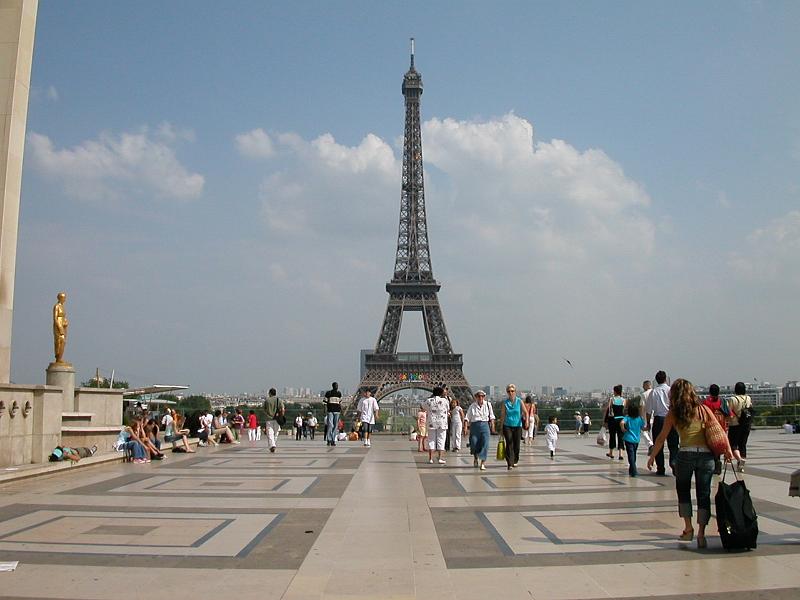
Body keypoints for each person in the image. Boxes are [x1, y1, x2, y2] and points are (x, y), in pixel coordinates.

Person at [648, 378, 734, 549]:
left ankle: (688, 528)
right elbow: (719, 431)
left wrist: (652, 456)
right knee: (704, 494)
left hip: (685, 454)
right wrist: (728, 450)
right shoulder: (703, 409)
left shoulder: (674, 413)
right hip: (706, 456)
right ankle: (702, 533)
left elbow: (661, 437)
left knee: (683, 491)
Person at [646, 370, 679, 476]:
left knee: (658, 444)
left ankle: (660, 468)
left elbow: (648, 410)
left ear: (656, 380)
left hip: (659, 419)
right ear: (666, 379)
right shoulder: (671, 391)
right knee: (673, 444)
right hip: (671, 418)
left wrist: (648, 423)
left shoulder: (653, 392)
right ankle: (673, 461)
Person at [464, 390, 495, 470]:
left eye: (482, 396)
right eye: (479, 396)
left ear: (484, 397)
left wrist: (492, 426)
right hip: (475, 426)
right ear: (476, 397)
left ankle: (483, 462)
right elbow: (467, 417)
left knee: (485, 444)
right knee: (474, 443)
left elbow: (491, 416)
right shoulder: (472, 406)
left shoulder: (488, 405)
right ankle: (475, 457)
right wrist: (465, 427)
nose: (480, 398)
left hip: (485, 425)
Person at [727, 381, 753, 472]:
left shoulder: (732, 399)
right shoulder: (748, 398)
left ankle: (739, 459)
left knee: (733, 445)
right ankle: (741, 466)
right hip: (746, 424)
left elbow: (729, 412)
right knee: (743, 445)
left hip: (735, 425)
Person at [499, 384, 525, 470]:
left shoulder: (519, 401)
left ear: (515, 392)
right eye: (509, 391)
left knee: (516, 445)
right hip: (507, 425)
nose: (510, 393)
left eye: (512, 391)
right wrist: (501, 428)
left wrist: (527, 420)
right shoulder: (505, 403)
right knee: (509, 443)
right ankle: (509, 462)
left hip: (517, 426)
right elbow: (502, 415)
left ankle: (515, 459)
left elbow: (525, 412)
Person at [703, 384, 728, 474]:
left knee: (711, 446)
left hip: (710, 428)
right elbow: (729, 414)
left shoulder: (706, 402)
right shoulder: (723, 401)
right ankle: (717, 462)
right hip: (721, 427)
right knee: (719, 445)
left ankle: (714, 464)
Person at [424, 387, 449, 464]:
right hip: (442, 423)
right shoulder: (445, 401)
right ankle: (440, 458)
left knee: (431, 440)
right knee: (441, 440)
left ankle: (430, 459)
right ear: (441, 393)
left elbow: (423, 407)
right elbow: (448, 409)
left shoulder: (429, 401)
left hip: (432, 422)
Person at [620, 403, 645, 476]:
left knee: (631, 455)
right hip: (636, 439)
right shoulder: (639, 418)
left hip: (628, 438)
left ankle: (633, 470)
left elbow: (621, 422)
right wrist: (648, 428)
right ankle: (632, 470)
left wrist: (623, 428)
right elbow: (643, 427)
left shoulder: (627, 418)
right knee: (634, 454)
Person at [605, 385, 626, 461]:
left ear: (615, 391)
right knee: (620, 436)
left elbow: (608, 409)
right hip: (620, 419)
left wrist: (605, 420)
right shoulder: (623, 400)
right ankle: (621, 453)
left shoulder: (612, 399)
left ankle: (611, 452)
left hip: (612, 419)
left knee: (612, 435)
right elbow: (623, 410)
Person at [263, 388, 285, 453]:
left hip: (269, 419)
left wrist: (267, 414)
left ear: (270, 393)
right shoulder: (279, 400)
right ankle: (273, 444)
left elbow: (264, 409)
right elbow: (282, 409)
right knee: (276, 432)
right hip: (277, 419)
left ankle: (272, 445)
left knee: (270, 433)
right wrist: (281, 416)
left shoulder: (267, 400)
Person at [52, 292, 69, 364]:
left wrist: (65, 322)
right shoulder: (56, 306)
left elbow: (63, 316)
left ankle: (60, 357)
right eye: (63, 297)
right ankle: (58, 357)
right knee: (59, 341)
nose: (65, 299)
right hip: (58, 325)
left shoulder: (62, 306)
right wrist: (59, 327)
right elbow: (55, 318)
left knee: (63, 341)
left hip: (63, 325)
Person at [324, 382, 342, 446]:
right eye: (336, 385)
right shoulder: (328, 393)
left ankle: (333, 440)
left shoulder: (339, 393)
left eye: (337, 385)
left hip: (336, 411)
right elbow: (325, 402)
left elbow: (339, 403)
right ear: (333, 386)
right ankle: (329, 439)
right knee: (331, 425)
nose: (336, 386)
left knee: (335, 426)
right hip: (330, 411)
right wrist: (325, 409)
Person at [640, 380, 654, 452]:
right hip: (655, 416)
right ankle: (652, 445)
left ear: (646, 385)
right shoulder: (655, 392)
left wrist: (641, 417)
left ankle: (650, 444)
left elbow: (642, 406)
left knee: (643, 431)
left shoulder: (644, 394)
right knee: (652, 433)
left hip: (646, 416)